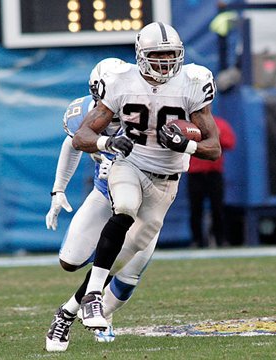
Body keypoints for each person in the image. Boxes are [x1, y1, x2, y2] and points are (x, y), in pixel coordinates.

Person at [72, 21, 222, 330]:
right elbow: (81, 136)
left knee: (131, 250)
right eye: (158, 55)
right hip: (130, 163)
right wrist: (108, 142)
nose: (166, 62)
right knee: (124, 208)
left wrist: (187, 144)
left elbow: (214, 148)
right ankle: (92, 298)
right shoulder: (119, 81)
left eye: (171, 55)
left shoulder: (194, 82)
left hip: (166, 179)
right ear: (141, 55)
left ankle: (72, 306)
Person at [45, 58, 159, 352]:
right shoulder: (84, 111)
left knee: (126, 273)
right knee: (70, 261)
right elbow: (72, 143)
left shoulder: (150, 108)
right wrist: (58, 190)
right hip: (103, 194)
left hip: (146, 202)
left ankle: (79, 314)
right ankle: (75, 309)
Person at [187, 115, 236, 248]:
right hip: (195, 173)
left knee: (217, 207)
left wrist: (216, 137)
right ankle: (197, 240)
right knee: (195, 208)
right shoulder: (190, 126)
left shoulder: (219, 123)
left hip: (214, 173)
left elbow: (230, 142)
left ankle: (220, 239)